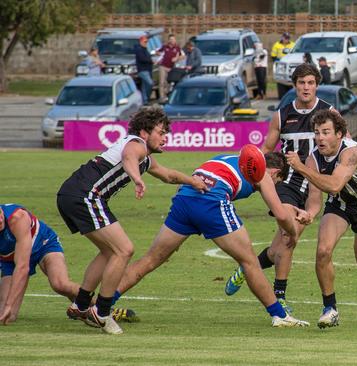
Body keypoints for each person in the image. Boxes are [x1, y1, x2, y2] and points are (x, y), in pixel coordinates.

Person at [111, 152, 310, 327]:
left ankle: (101, 306)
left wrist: (295, 210)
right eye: (277, 183)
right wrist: (292, 234)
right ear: (274, 172)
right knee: (249, 262)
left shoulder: (228, 158)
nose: (273, 187)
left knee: (150, 260)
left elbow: (283, 208)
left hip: (184, 199)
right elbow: (281, 215)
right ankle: (280, 316)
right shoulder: (263, 174)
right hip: (211, 202)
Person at [56, 107, 207, 335]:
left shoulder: (146, 158)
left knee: (110, 252)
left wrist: (193, 182)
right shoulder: (137, 144)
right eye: (161, 132)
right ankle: (102, 312)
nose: (165, 137)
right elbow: (128, 158)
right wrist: (136, 179)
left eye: (166, 132)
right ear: (144, 133)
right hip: (85, 195)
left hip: (73, 194)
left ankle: (81, 303)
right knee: (124, 250)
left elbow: (168, 175)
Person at [224, 63, 333, 313]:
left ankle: (248, 265)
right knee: (288, 236)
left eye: (310, 83)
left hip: (315, 183)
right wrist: (244, 166)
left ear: (317, 85)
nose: (306, 87)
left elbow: (341, 143)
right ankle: (279, 296)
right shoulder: (282, 115)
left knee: (279, 248)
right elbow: (265, 149)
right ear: (294, 85)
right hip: (287, 182)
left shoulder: (328, 112)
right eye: (301, 83)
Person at [285, 109, 357, 328]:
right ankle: (330, 308)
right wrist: (309, 214)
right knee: (323, 251)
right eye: (317, 132)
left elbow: (334, 184)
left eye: (326, 132)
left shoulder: (351, 153)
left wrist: (300, 168)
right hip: (339, 204)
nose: (320, 137)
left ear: (339, 134)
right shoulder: (313, 158)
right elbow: (315, 198)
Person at [0, 204, 136, 325]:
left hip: (44, 245)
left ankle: (104, 310)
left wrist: (9, 304)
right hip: (11, 259)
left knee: (60, 284)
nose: (0, 219)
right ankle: (84, 310)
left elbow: (23, 267)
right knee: (7, 316)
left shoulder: (17, 218)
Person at [156, 34, 184, 103]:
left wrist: (177, 58)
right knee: (162, 82)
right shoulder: (165, 46)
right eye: (171, 39)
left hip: (171, 68)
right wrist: (159, 54)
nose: (172, 41)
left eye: (173, 39)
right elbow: (157, 52)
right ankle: (161, 98)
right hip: (163, 66)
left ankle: (167, 96)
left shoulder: (177, 48)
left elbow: (183, 56)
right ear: (168, 40)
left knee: (169, 82)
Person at [135, 35, 154, 104]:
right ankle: (146, 98)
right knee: (150, 83)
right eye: (145, 42)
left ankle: (144, 100)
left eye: (146, 42)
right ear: (141, 42)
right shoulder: (139, 49)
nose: (146, 43)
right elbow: (142, 58)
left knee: (144, 85)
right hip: (143, 70)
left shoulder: (145, 49)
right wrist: (151, 61)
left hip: (148, 69)